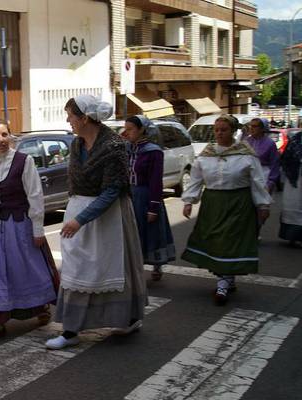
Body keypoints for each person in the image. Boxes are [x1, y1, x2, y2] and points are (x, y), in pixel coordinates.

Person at [45, 95, 147, 350]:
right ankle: (70, 331)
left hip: (109, 215)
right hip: (80, 209)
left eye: (71, 115)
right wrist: (74, 212)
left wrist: (80, 219)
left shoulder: (114, 146)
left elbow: (112, 190)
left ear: (85, 118)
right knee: (76, 270)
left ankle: (129, 318)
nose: (68, 120)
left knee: (112, 268)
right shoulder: (77, 145)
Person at [0, 118, 55, 338]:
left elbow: (35, 196)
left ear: (10, 136)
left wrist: (37, 230)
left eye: (4, 134)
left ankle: (39, 306)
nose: (1, 140)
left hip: (18, 226)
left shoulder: (24, 162)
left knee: (23, 269)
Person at [182, 115, 272, 305]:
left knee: (230, 242)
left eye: (223, 130)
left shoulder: (246, 154)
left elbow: (257, 181)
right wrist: (189, 201)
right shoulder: (207, 154)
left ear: (233, 131)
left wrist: (263, 205)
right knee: (216, 241)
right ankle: (227, 277)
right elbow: (196, 179)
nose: (219, 133)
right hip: (213, 202)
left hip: (239, 202)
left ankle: (223, 283)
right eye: (216, 130)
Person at [122, 116, 176, 281]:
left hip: (145, 196)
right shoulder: (127, 149)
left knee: (150, 231)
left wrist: (153, 206)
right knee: (132, 233)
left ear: (141, 130)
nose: (127, 132)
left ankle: (156, 263)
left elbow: (155, 181)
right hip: (130, 195)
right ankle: (133, 267)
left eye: (130, 129)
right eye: (126, 129)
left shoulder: (153, 151)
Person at [242, 118, 280, 194]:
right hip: (248, 176)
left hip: (264, 176)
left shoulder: (270, 143)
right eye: (250, 126)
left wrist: (271, 183)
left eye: (254, 126)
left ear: (262, 128)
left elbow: (274, 164)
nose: (251, 128)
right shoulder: (246, 141)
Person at [280, 131, 302, 246]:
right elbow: (286, 158)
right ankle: (292, 237)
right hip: (295, 178)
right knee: (293, 205)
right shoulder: (296, 139)